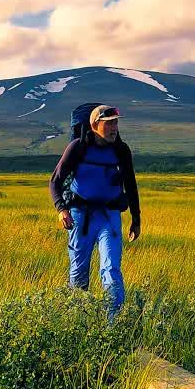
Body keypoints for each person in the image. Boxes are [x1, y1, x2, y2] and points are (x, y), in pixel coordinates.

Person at [49, 104, 141, 317]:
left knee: (111, 271)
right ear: (94, 125)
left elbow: (131, 184)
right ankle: (78, 321)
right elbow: (55, 181)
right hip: (80, 218)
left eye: (116, 123)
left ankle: (113, 325)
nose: (114, 128)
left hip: (110, 217)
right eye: (109, 124)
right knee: (79, 275)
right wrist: (62, 209)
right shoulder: (77, 147)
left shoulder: (121, 150)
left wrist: (136, 219)